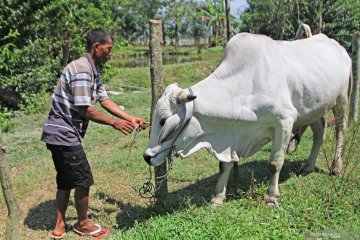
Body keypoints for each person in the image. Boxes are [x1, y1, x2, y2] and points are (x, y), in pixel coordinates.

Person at [41, 28, 148, 239]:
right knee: (83, 179)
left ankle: (59, 227)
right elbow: (84, 108)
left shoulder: (93, 70)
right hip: (64, 133)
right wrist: (114, 123)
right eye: (108, 49)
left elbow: (105, 100)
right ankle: (82, 224)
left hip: (57, 133)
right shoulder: (82, 69)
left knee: (65, 180)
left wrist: (130, 118)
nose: (111, 54)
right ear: (96, 47)